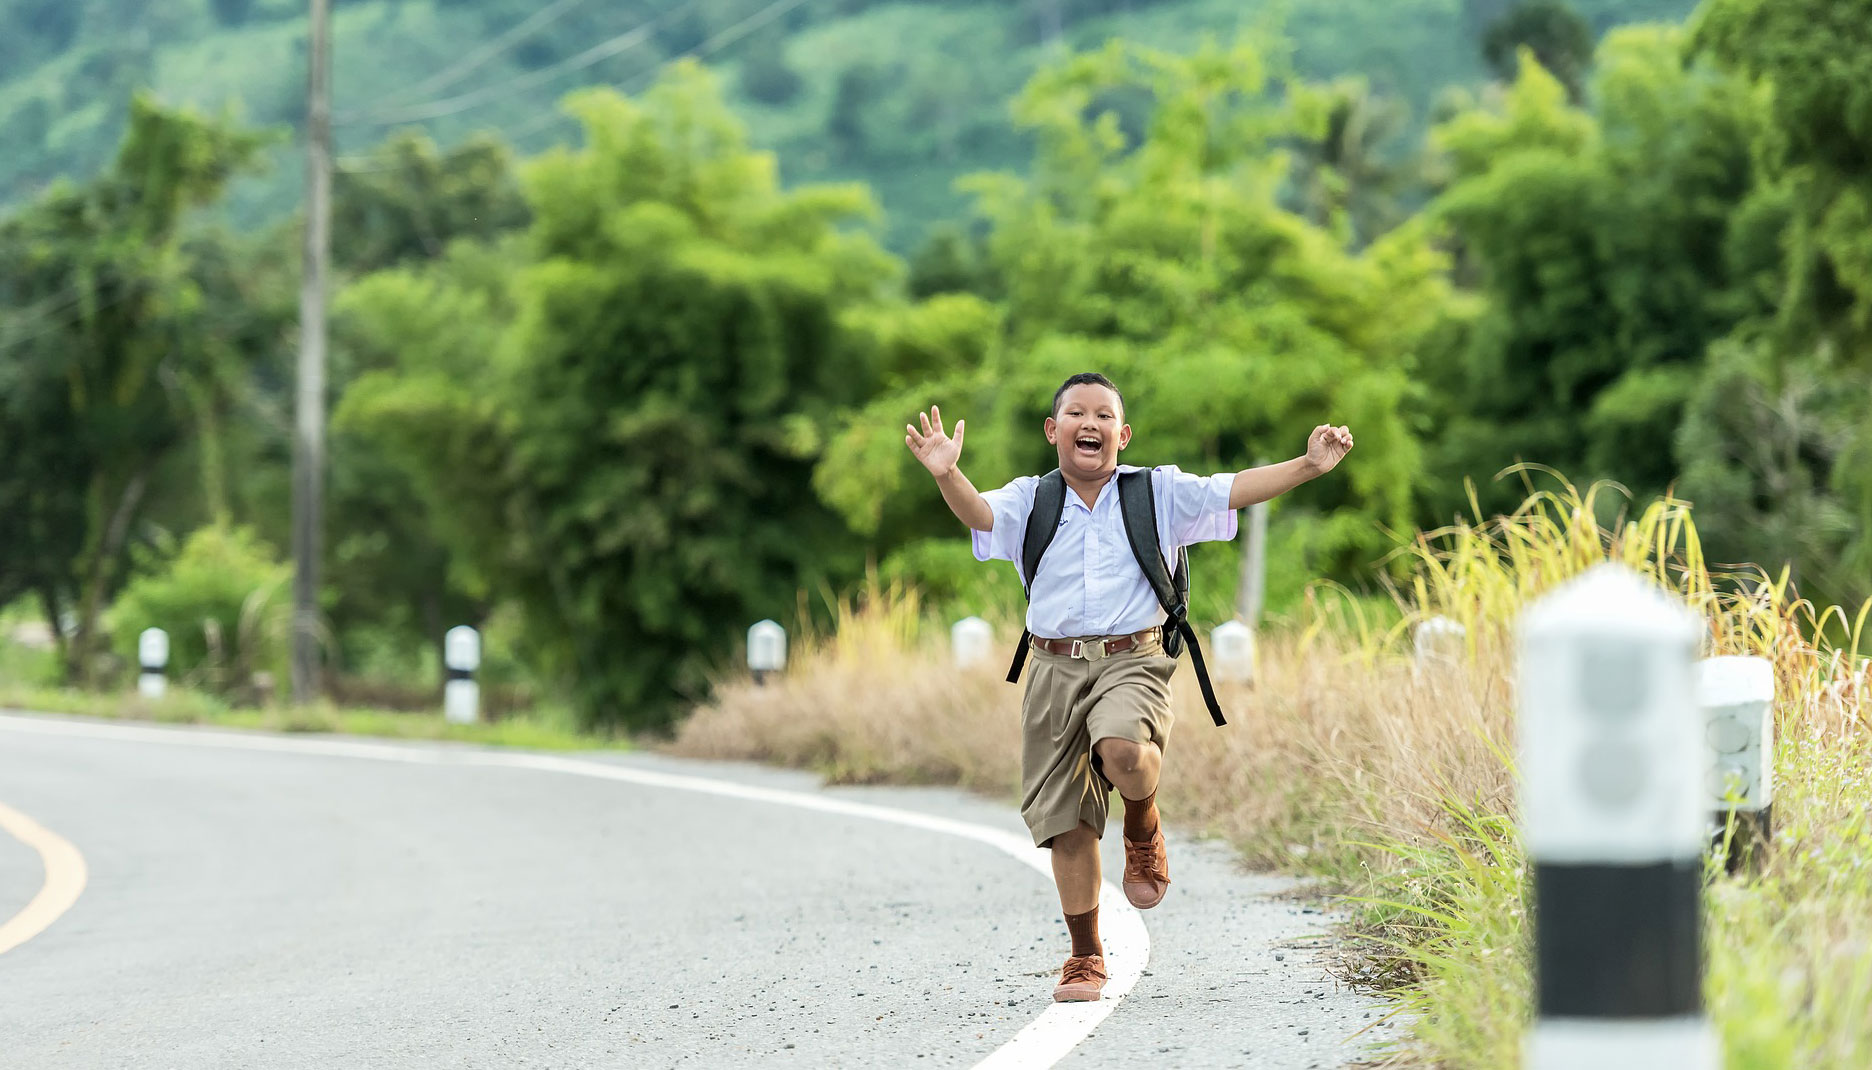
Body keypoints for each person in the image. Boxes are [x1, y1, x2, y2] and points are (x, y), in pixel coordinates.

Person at [903, 372, 1354, 1002]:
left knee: (1123, 749)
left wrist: (1308, 465)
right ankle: (1085, 956)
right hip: (1052, 667)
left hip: (1133, 659)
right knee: (1068, 824)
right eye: (1076, 414)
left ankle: (1142, 824)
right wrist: (948, 473)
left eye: (1104, 415)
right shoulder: (1029, 500)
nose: (1090, 424)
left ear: (1123, 432)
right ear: (1052, 430)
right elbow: (978, 513)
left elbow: (1235, 489)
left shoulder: (1157, 493)